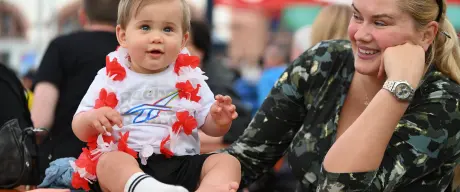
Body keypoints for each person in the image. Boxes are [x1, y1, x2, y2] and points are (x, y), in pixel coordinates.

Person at [223, 0, 460, 191]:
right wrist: (209, 178)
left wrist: (398, 88)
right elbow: (248, 155)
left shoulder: (446, 103)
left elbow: (342, 185)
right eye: (357, 16)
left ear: (427, 35)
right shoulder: (325, 61)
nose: (360, 34)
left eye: (380, 23)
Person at [71, 0, 241, 192]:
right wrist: (93, 118)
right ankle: (146, 188)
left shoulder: (191, 77)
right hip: (130, 165)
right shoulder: (108, 76)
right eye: (145, 27)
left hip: (181, 163)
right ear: (123, 35)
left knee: (227, 162)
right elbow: (79, 128)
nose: (157, 37)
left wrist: (219, 120)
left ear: (183, 40)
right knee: (109, 162)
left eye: (168, 29)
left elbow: (210, 128)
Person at [31, 0, 120, 181]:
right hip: (121, 171)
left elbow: (41, 121)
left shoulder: (60, 47)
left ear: (82, 15)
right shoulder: (132, 52)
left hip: (65, 168)